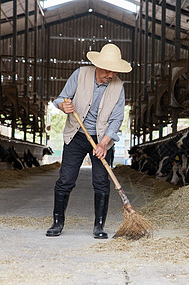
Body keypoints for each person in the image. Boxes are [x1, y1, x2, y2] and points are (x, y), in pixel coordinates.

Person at [46, 44, 131, 239]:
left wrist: (104, 143)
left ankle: (99, 226)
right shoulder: (81, 74)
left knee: (101, 182)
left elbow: (117, 119)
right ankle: (57, 223)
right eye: (108, 70)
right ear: (98, 65)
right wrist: (63, 106)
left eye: (114, 71)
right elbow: (59, 99)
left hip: (102, 138)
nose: (111, 75)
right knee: (66, 180)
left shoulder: (118, 87)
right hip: (76, 135)